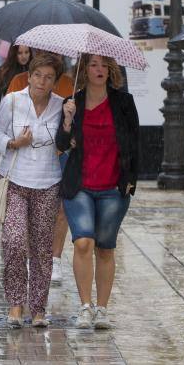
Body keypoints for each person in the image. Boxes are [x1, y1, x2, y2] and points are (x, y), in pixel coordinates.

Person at [57, 54, 139, 330]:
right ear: (85, 70)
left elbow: (135, 143)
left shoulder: (124, 102)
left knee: (105, 248)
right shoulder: (72, 102)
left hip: (113, 187)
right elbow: (60, 144)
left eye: (105, 65)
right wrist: (67, 121)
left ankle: (102, 309)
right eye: (93, 64)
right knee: (83, 242)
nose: (99, 69)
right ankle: (85, 306)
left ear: (111, 70)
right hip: (79, 185)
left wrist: (131, 180)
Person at [0, 52, 64, 328]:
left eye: (49, 77)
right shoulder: (12, 101)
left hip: (48, 182)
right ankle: (16, 304)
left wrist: (68, 122)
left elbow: (68, 141)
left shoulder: (61, 105)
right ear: (29, 76)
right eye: (38, 75)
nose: (42, 82)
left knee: (43, 249)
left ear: (55, 81)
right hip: (16, 181)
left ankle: (39, 309)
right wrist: (12, 143)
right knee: (15, 241)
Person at [0, 44, 32, 130]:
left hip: (30, 118)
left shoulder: (34, 71)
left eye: (26, 52)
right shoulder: (3, 71)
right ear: (14, 54)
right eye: (20, 53)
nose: (24, 56)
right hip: (9, 118)